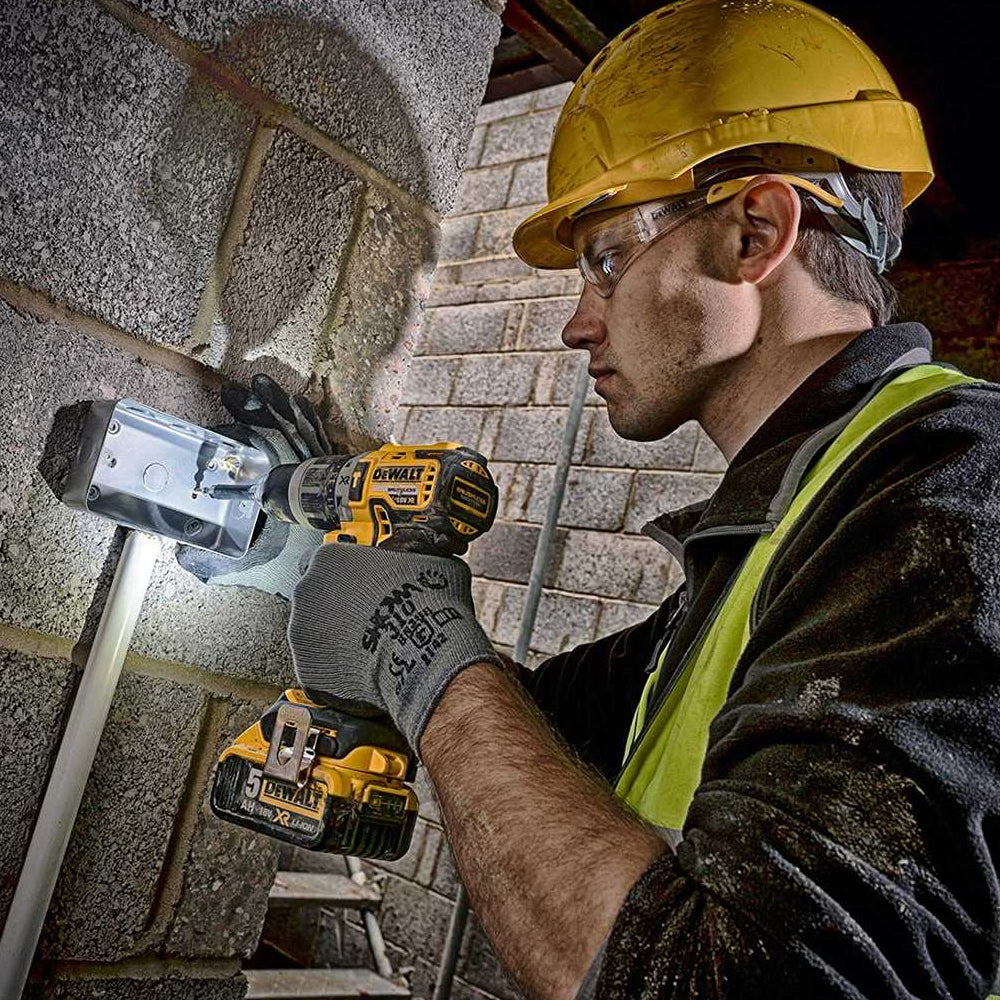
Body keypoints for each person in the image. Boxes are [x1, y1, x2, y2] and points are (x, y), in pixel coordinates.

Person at [206, 1, 1000, 997]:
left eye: (608, 259)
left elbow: (737, 979)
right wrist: (314, 568)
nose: (578, 325)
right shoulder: (780, 537)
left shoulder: (957, 490)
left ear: (754, 232)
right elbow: (538, 732)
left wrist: (417, 652)